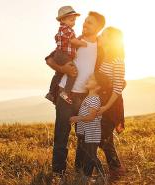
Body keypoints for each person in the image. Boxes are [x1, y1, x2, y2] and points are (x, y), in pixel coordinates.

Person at [46, 11, 105, 184]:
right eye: (85, 22)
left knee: (84, 137)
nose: (85, 25)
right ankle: (58, 174)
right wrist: (63, 69)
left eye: (90, 23)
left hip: (86, 98)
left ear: (98, 28)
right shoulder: (73, 41)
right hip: (66, 94)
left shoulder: (101, 48)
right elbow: (49, 59)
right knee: (61, 135)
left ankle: (80, 173)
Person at [95, 26, 126, 180]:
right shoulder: (101, 57)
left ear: (110, 40)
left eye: (104, 35)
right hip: (100, 102)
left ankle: (117, 170)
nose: (100, 36)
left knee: (104, 137)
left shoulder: (118, 61)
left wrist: (106, 107)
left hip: (112, 105)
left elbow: (118, 88)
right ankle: (115, 167)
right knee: (103, 137)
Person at [45, 6, 87, 104]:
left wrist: (79, 39)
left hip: (60, 55)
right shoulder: (67, 29)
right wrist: (83, 43)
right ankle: (65, 93)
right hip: (63, 55)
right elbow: (72, 40)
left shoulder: (63, 30)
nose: (74, 23)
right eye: (71, 20)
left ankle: (51, 93)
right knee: (73, 72)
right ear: (63, 19)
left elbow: (70, 41)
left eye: (74, 20)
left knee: (58, 74)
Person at [69, 74, 105, 184]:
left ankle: (95, 176)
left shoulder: (94, 99)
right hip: (85, 133)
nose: (88, 79)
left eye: (92, 79)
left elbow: (91, 117)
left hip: (92, 133)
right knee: (88, 155)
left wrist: (77, 118)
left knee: (91, 156)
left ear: (98, 87)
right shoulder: (89, 97)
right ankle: (88, 175)